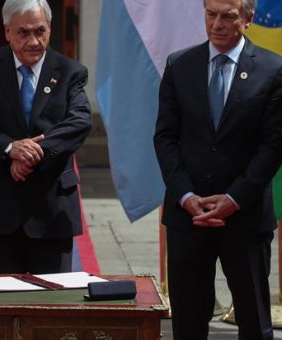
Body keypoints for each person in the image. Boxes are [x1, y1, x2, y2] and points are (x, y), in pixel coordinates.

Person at [154, 0, 282, 338]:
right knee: (188, 325)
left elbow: (273, 145)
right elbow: (165, 138)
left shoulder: (273, 69)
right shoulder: (179, 65)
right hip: (188, 217)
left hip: (245, 217)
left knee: (254, 322)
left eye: (228, 16)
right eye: (211, 15)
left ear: (249, 19)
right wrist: (185, 195)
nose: (217, 24)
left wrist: (234, 198)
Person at [0, 0, 92, 274]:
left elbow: (79, 122)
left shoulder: (70, 71)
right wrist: (9, 149)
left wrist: (31, 154)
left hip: (52, 205)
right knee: (3, 302)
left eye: (40, 31)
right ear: (7, 31)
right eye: (23, 32)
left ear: (50, 28)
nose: (34, 41)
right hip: (0, 205)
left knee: (53, 305)